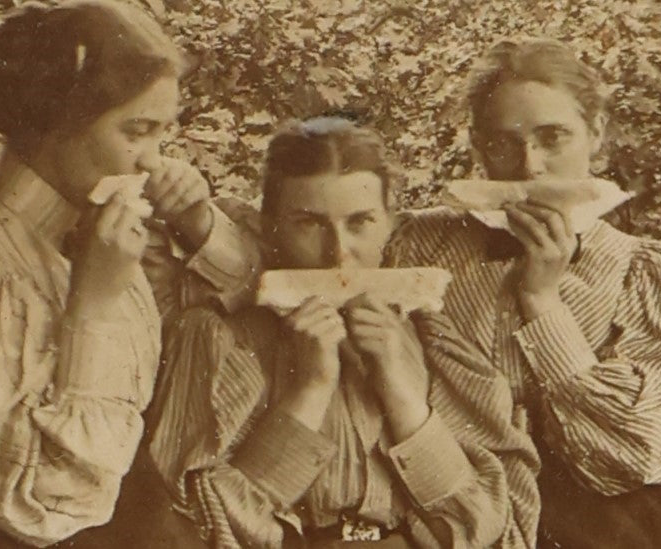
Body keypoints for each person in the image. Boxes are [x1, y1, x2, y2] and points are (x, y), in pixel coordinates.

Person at [0, 1, 258, 546]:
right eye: (136, 130)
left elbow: (253, 291)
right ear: (57, 122)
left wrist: (194, 220)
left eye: (161, 133)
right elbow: (41, 503)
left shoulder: (90, 240)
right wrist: (92, 307)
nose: (151, 160)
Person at [386, 37, 661, 548]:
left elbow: (645, 455)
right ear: (478, 147)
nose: (529, 167)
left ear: (594, 134)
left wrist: (543, 303)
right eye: (504, 143)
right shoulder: (416, 243)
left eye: (553, 138)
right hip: (452, 509)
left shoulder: (645, 270)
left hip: (611, 523)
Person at [148, 117, 541, 548]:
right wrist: (310, 390)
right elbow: (204, 520)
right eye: (309, 223)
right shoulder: (214, 337)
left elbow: (480, 524)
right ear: (269, 225)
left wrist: (400, 390)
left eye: (360, 222)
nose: (338, 253)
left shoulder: (435, 336)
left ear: (390, 223)